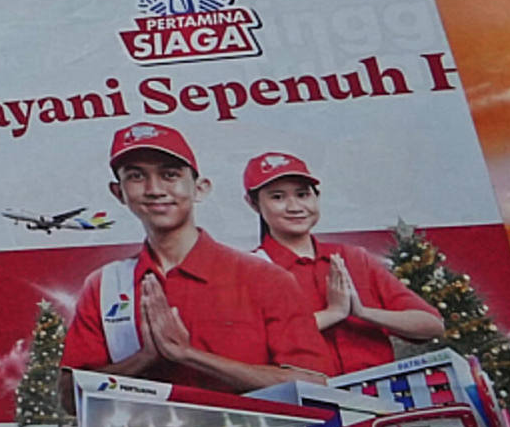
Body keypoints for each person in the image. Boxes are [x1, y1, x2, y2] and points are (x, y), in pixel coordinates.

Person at [64, 123, 329, 394]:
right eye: (136, 176)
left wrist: (188, 355)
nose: (154, 189)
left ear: (200, 188)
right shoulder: (105, 285)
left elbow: (312, 385)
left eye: (170, 174)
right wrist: (142, 359)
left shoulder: (265, 278)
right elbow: (68, 396)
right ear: (118, 192)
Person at [238, 152, 448, 374]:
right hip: (305, 401)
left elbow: (432, 325)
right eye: (277, 197)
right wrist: (333, 313)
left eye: (303, 194)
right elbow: (251, 346)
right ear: (253, 204)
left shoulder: (354, 258)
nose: (295, 206)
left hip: (380, 400)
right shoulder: (250, 269)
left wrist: (362, 312)